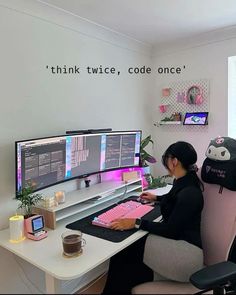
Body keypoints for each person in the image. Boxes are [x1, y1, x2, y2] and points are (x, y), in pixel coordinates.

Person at [102, 141, 204, 294]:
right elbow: (174, 200)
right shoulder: (184, 180)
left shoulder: (190, 193)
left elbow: (170, 230)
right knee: (125, 264)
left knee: (127, 250)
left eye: (167, 159)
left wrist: (136, 222)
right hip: (178, 242)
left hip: (186, 255)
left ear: (174, 161)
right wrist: (156, 198)